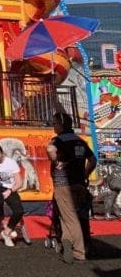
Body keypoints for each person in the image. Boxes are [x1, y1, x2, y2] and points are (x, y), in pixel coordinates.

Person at [46, 111, 96, 263]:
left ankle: (79, 252)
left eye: (54, 123)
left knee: (69, 216)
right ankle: (66, 241)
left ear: (61, 125)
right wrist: (86, 174)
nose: (53, 126)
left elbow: (50, 150)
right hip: (79, 182)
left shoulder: (58, 140)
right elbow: (92, 160)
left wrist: (55, 162)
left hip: (63, 182)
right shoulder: (80, 141)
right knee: (68, 215)